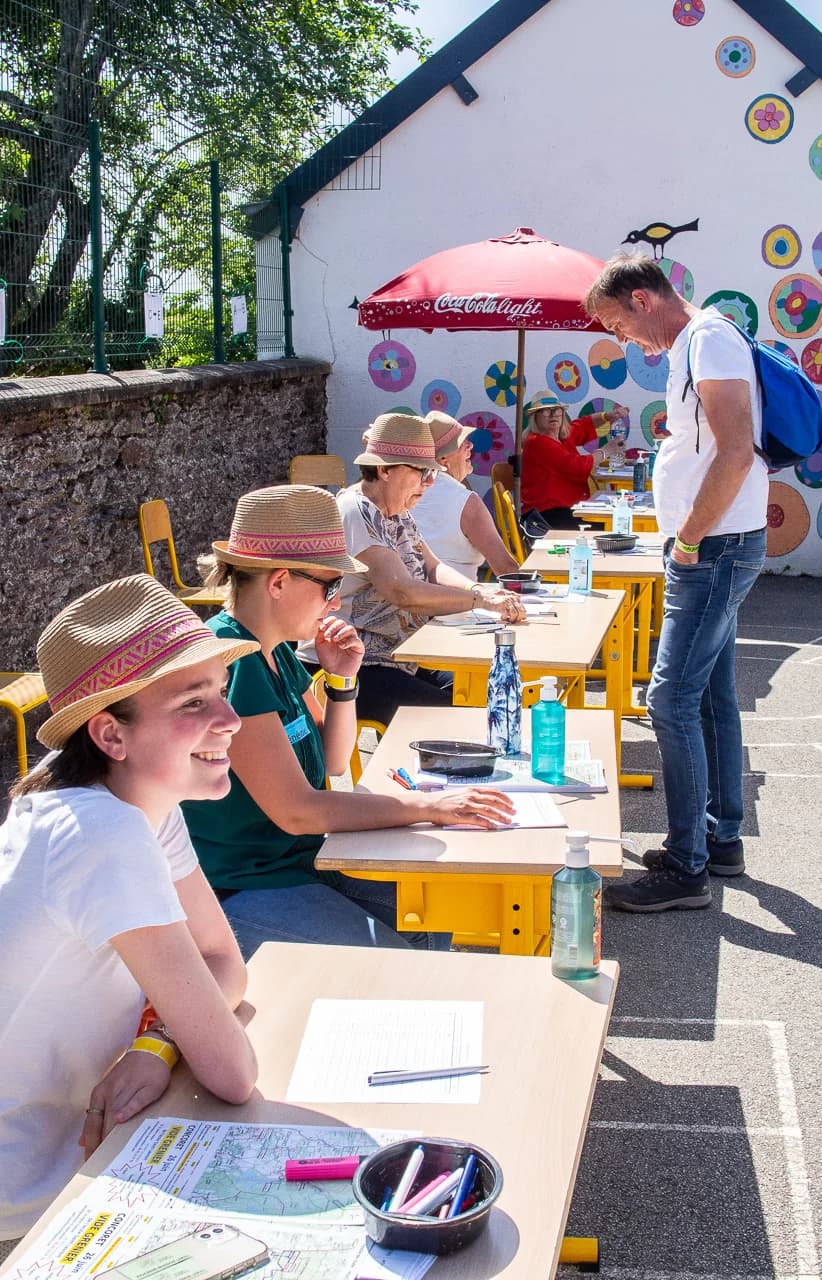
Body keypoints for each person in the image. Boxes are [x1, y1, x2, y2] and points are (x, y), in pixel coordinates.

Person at [0, 575, 259, 1244]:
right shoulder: (103, 831)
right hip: (31, 1200)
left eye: (221, 697)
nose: (229, 722)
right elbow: (232, 1071)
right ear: (111, 735)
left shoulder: (132, 800)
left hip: (88, 1151)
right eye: (193, 702)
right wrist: (181, 1033)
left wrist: (155, 1043)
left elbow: (223, 963)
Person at [183, 484, 515, 960]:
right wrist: (429, 807)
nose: (336, 602)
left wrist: (342, 681)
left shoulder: (273, 650)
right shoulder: (233, 662)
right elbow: (299, 810)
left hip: (296, 865)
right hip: (238, 888)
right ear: (278, 582)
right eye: (329, 586)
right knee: (397, 964)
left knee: (436, 918)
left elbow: (333, 761)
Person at [584, 252, 767, 911]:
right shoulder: (701, 341)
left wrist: (688, 535)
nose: (619, 340)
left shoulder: (706, 338)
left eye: (614, 323)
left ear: (640, 299)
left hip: (712, 548)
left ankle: (686, 868)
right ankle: (718, 842)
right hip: (714, 545)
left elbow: (736, 449)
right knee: (710, 696)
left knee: (669, 700)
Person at [300, 413, 524, 726]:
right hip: (347, 665)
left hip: (397, 658)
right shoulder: (357, 509)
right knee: (462, 719)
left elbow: (433, 567)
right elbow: (403, 591)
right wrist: (482, 602)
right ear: (383, 470)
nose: (430, 482)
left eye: (432, 472)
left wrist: (479, 590)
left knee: (483, 691)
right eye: (421, 472)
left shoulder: (397, 510)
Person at [411, 411, 519, 579]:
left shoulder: (405, 493)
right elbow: (506, 569)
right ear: (443, 458)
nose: (470, 446)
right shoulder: (466, 502)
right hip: (458, 601)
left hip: (410, 598)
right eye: (462, 442)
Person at [520, 390, 628, 527]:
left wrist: (607, 416)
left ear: (562, 414)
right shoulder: (537, 442)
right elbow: (578, 466)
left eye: (557, 410)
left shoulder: (560, 437)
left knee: (612, 520)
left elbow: (583, 425)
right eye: (546, 411)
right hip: (545, 515)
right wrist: (606, 451)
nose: (553, 415)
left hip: (565, 510)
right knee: (610, 525)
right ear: (535, 417)